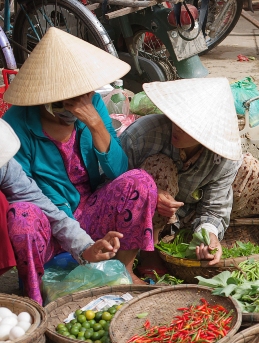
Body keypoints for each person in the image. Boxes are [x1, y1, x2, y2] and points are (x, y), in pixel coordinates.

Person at [2, 28, 157, 286]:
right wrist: (77, 241)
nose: (75, 107)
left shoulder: (92, 103)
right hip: (49, 221)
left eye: (80, 98)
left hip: (91, 211)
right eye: (64, 103)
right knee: (22, 217)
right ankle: (35, 293)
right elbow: (26, 193)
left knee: (140, 181)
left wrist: (96, 125)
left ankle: (124, 270)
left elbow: (119, 172)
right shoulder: (17, 124)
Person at [120, 78, 259, 267]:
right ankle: (148, 252)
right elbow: (114, 183)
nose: (177, 127)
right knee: (160, 166)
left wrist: (208, 235)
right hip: (137, 217)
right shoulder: (143, 136)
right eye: (177, 118)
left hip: (190, 212)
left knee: (250, 167)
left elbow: (214, 208)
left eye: (188, 126)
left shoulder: (222, 157)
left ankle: (199, 239)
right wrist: (148, 193)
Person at [0, 119, 125, 304]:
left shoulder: (5, 165)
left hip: (72, 221)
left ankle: (34, 299)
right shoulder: (23, 121)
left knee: (23, 214)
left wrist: (85, 248)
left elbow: (41, 204)